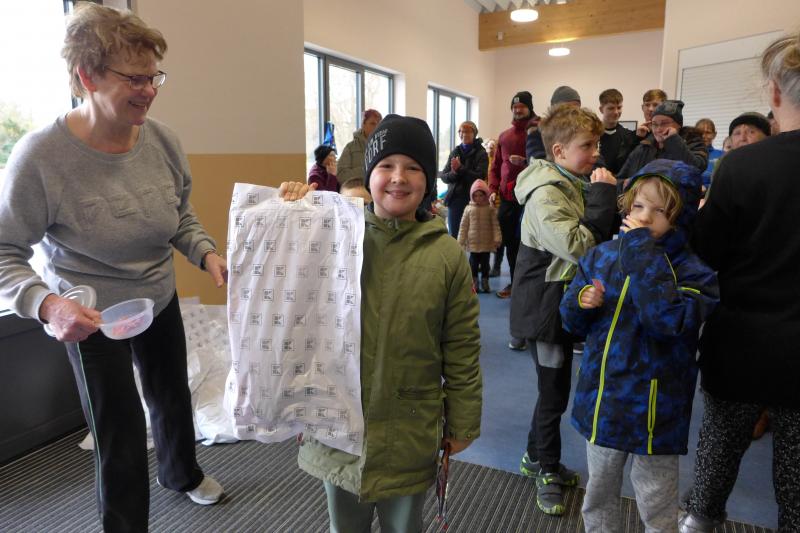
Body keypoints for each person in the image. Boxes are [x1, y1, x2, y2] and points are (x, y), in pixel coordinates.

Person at [0, 4, 225, 531]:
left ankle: (181, 474)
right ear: (87, 76)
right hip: (90, 315)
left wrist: (204, 251)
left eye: (154, 77)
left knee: (172, 396)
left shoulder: (163, 141)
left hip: (156, 296)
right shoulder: (41, 158)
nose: (148, 90)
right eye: (134, 78)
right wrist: (48, 305)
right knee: (119, 428)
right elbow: (4, 250)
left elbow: (179, 213)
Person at [290, 114, 482, 533]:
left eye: (413, 167)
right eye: (386, 166)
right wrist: (293, 209)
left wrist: (463, 420)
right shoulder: (336, 238)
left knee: (404, 525)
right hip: (340, 423)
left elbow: (462, 346)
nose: (398, 177)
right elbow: (287, 282)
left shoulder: (447, 256)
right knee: (346, 524)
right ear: (369, 175)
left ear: (428, 180)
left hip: (409, 425)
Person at [681, 32, 800, 533]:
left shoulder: (742, 165)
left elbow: (705, 253)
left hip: (742, 340)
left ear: (774, 92)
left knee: (716, 457)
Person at [560, 159, 718, 532]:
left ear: (680, 217)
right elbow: (569, 321)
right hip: (604, 403)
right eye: (639, 205)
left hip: (656, 412)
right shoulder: (602, 256)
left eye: (659, 210)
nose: (645, 217)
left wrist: (643, 255)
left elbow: (669, 322)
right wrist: (582, 300)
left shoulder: (695, 273)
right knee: (598, 494)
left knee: (657, 501)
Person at [510, 104, 618, 516]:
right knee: (552, 394)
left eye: (596, 144)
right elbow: (580, 245)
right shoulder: (546, 194)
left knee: (553, 390)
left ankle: (533, 456)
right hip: (544, 309)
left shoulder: (571, 182)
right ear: (558, 151)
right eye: (587, 145)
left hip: (558, 303)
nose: (595, 153)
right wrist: (604, 197)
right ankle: (547, 470)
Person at [489, 91, 533, 300]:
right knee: (510, 244)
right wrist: (492, 189)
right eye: (515, 107)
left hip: (530, 199)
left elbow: (546, 163)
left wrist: (525, 162)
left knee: (529, 244)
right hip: (508, 199)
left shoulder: (537, 133)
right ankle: (515, 282)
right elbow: (496, 166)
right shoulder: (504, 136)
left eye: (522, 106)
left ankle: (527, 284)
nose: (518, 110)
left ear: (529, 107)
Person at [618, 100, 707, 180]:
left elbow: (697, 168)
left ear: (679, 125)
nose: (658, 129)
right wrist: (627, 184)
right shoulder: (643, 148)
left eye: (664, 123)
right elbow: (620, 179)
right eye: (654, 124)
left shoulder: (693, 142)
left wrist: (674, 140)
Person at [440, 120, 489, 239]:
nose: (463, 134)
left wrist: (460, 169)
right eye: (461, 131)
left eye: (467, 131)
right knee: (454, 236)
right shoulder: (455, 151)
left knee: (472, 237)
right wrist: (454, 173)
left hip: (473, 200)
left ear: (474, 133)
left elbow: (480, 177)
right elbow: (444, 176)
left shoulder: (481, 153)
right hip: (455, 200)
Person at [458, 179, 502, 293]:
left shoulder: (490, 209)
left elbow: (495, 225)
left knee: (485, 265)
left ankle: (485, 282)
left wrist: (497, 238)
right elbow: (463, 226)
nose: (478, 198)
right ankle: (474, 283)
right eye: (475, 196)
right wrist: (460, 241)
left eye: (481, 195)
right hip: (473, 244)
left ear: (486, 195)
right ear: (472, 196)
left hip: (486, 244)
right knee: (473, 265)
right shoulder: (468, 209)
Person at [336, 109, 382, 188]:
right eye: (372, 123)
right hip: (357, 192)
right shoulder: (350, 148)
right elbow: (341, 176)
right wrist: (367, 170)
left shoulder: (385, 146)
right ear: (363, 125)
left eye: (379, 124)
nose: (377, 127)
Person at [598, 88, 640, 175]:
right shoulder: (593, 135)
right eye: (611, 108)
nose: (616, 112)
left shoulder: (628, 136)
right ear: (601, 109)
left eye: (619, 107)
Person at [694, 118, 724, 189]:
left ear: (714, 134)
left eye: (708, 132)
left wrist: (706, 187)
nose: (703, 136)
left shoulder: (722, 155)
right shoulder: (687, 154)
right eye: (700, 133)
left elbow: (725, 179)